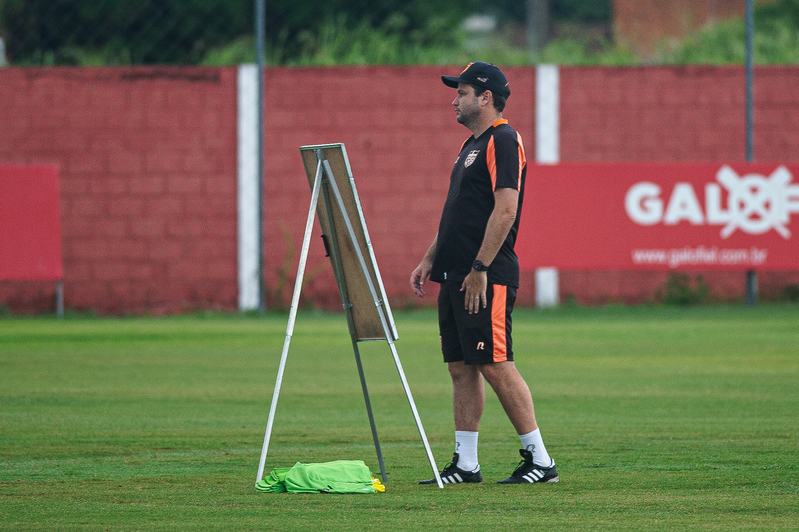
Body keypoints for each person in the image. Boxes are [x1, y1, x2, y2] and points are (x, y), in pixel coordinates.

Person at [410, 62, 558, 485]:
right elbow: (458, 213)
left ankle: (540, 461)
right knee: (461, 367)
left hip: (483, 276)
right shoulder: (469, 145)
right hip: (454, 273)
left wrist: (480, 267)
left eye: (462, 91)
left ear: (485, 97)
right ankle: (466, 464)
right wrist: (429, 260)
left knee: (495, 364)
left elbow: (506, 208)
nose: (454, 99)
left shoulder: (504, 139)